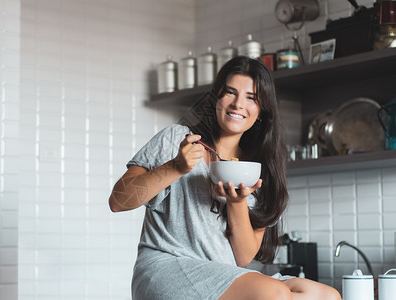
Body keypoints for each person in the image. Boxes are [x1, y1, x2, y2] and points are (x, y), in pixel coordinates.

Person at [109, 56, 340, 300]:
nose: (238, 104)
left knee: (325, 296)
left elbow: (242, 258)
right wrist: (175, 167)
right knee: (274, 294)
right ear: (216, 98)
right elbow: (118, 201)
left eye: (251, 97)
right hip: (166, 267)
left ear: (261, 111)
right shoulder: (178, 139)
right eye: (230, 93)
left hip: (222, 272)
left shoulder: (257, 170)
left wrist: (237, 202)